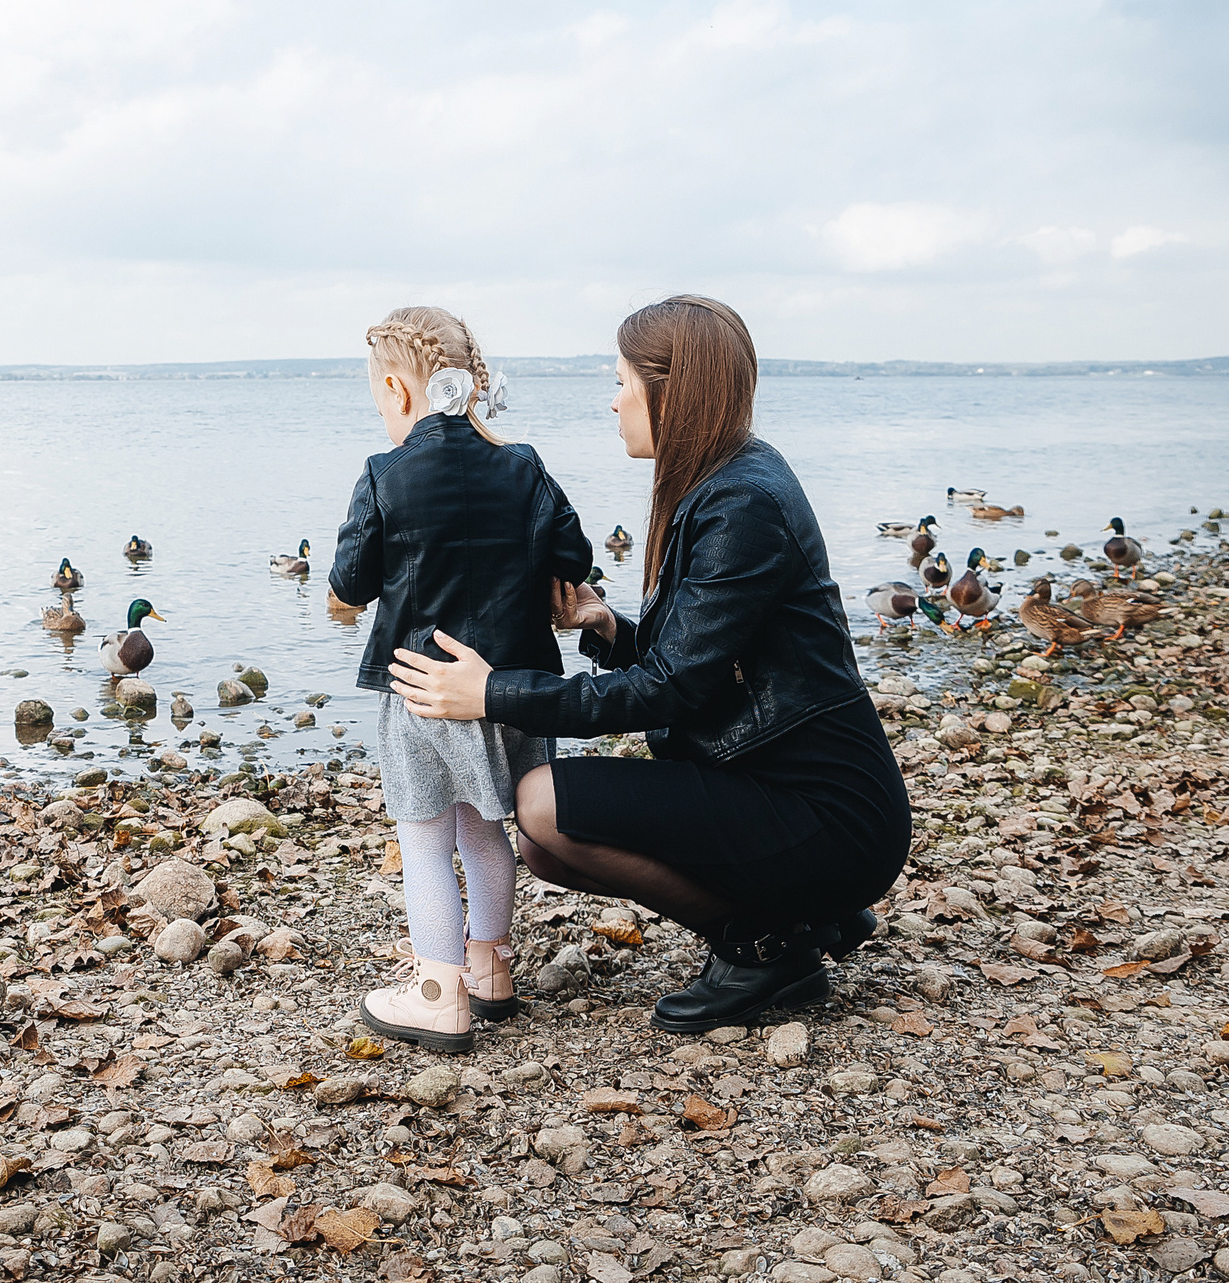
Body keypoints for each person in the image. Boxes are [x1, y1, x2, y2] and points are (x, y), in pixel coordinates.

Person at [388, 295, 912, 1032]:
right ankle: (792, 917)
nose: (613, 402)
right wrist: (605, 626)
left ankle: (765, 947)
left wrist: (493, 692)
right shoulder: (725, 478)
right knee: (542, 841)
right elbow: (703, 665)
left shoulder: (742, 506)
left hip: (830, 815)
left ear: (670, 390)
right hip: (768, 781)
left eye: (622, 381)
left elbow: (667, 692)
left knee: (540, 804)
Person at [329, 307, 594, 1052]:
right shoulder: (523, 463)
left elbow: (350, 581)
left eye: (380, 399)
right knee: (484, 829)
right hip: (510, 685)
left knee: (423, 841)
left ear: (398, 390)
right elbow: (574, 556)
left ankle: (437, 991)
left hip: (423, 687)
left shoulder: (386, 472)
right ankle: (491, 969)